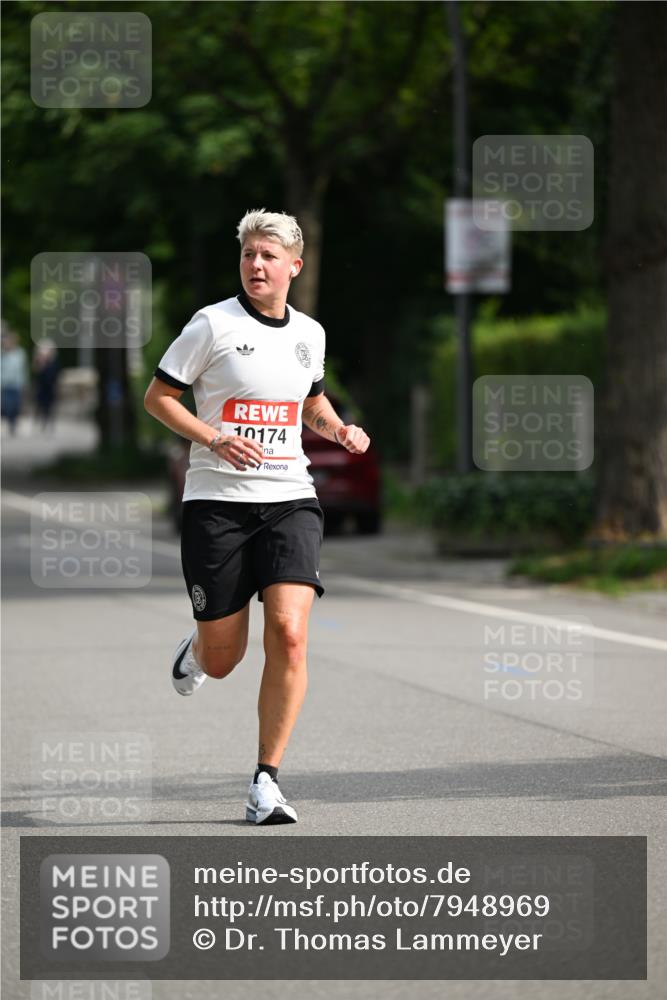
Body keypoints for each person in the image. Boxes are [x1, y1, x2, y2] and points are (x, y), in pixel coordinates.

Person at [144, 209, 370, 825]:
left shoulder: (311, 334)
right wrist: (214, 438)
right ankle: (197, 649)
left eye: (269, 256)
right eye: (249, 255)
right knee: (224, 659)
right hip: (216, 504)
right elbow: (159, 398)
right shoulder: (210, 325)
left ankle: (265, 782)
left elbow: (312, 401)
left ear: (294, 266)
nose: (257, 266)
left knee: (292, 634)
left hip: (289, 498)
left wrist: (338, 428)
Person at [1, 328, 28, 435]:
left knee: (16, 406)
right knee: (8, 405)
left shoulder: (20, 353)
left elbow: (22, 369)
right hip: (5, 384)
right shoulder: (3, 354)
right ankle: (10, 423)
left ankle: (13, 423)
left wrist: (25, 382)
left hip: (17, 384)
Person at [32, 337, 60, 431]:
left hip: (50, 388)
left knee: (50, 407)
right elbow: (37, 375)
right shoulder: (39, 362)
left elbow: (53, 376)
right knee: (39, 406)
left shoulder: (53, 363)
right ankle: (39, 424)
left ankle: (49, 424)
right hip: (41, 389)